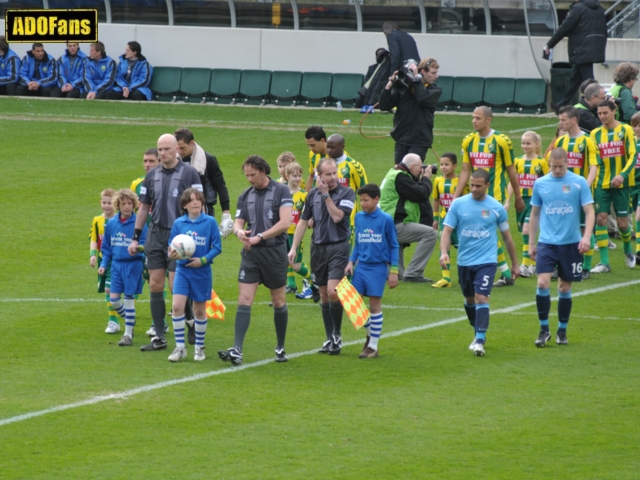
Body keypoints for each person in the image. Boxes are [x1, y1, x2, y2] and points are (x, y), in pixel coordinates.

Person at [127, 134, 203, 352]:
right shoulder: (151, 176)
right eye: (160, 150)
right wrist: (135, 236)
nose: (163, 153)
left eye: (167, 149)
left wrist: (196, 233)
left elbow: (199, 205)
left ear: (176, 150)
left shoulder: (190, 173)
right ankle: (159, 338)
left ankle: (190, 322)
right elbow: (143, 207)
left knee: (174, 286)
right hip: (156, 234)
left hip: (180, 234)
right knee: (155, 285)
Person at [219, 155, 293, 366]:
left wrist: (260, 236)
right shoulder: (245, 195)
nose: (249, 179)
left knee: (278, 300)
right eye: (246, 175)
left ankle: (280, 346)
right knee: (244, 299)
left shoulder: (281, 190)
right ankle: (237, 350)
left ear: (263, 171)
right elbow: (239, 220)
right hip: (251, 254)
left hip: (274, 252)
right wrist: (239, 231)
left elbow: (285, 222)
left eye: (252, 175)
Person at [440, 169, 519, 357]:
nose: (474, 189)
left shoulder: (496, 208)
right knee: (469, 299)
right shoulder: (458, 205)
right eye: (472, 185)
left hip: (487, 261)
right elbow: (447, 231)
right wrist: (444, 252)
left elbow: (507, 238)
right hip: (464, 261)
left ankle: (480, 340)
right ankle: (477, 331)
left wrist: (515, 264)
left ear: (487, 186)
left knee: (481, 298)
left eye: (478, 186)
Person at [529, 148, 595, 347]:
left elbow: (589, 212)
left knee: (564, 287)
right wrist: (531, 243)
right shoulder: (541, 184)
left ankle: (562, 331)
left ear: (567, 163)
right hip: (547, 243)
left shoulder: (579, 182)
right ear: (549, 164)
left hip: (571, 244)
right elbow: (535, 214)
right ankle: (544, 330)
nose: (557, 171)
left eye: (560, 167)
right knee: (542, 284)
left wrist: (586, 237)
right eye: (553, 167)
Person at [289, 158, 355, 355]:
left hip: (338, 247)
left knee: (334, 292)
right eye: (328, 174)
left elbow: (337, 217)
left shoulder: (346, 192)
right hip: (318, 248)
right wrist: (293, 248)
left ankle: (337, 334)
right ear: (320, 176)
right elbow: (302, 222)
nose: (333, 177)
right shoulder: (312, 195)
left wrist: (326, 196)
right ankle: (329, 338)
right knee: (325, 295)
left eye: (335, 172)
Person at [455, 106, 523, 287]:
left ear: (488, 120)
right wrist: (456, 197)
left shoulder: (502, 141)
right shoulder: (468, 140)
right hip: (473, 197)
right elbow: (465, 170)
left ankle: (506, 272)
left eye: (478, 118)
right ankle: (506, 273)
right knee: (484, 234)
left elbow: (511, 169)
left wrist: (518, 196)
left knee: (488, 233)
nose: (474, 121)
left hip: (495, 197)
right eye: (472, 117)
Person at [167, 188, 222, 362]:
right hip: (182, 271)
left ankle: (199, 348)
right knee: (177, 307)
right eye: (192, 200)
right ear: (185, 205)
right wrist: (171, 254)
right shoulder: (179, 223)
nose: (196, 203)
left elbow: (217, 247)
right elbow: (171, 246)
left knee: (199, 310)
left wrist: (203, 260)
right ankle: (180, 348)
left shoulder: (210, 222)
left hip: (202, 272)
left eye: (199, 199)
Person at [345, 183, 399, 358]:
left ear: (376, 199)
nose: (362, 203)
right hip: (361, 267)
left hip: (378, 268)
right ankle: (373, 332)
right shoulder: (359, 218)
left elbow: (394, 245)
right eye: (360, 200)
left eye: (366, 200)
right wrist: (351, 261)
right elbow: (358, 243)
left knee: (374, 305)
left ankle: (373, 346)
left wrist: (394, 271)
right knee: (351, 304)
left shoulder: (385, 219)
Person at [552, 106, 599, 277]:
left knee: (582, 228)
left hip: (581, 193)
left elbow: (593, 166)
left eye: (563, 119)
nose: (560, 123)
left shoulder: (588, 141)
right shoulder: (560, 142)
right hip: (562, 193)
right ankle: (560, 265)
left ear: (573, 120)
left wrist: (584, 187)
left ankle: (585, 267)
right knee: (561, 228)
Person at [590, 100, 637, 272]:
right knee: (600, 218)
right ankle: (604, 263)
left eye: (605, 113)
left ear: (614, 112)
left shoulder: (625, 130)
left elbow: (633, 155)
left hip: (622, 184)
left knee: (623, 224)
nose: (602, 116)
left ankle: (627, 250)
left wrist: (622, 175)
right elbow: (593, 160)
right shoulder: (595, 134)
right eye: (599, 113)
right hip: (601, 183)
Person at [99, 189, 147, 347]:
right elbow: (106, 247)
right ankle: (130, 322)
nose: (127, 206)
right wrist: (103, 264)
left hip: (133, 265)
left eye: (129, 203)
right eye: (123, 203)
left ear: (134, 204)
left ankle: (127, 335)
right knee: (113, 300)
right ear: (117, 205)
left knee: (128, 299)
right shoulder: (112, 223)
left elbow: (147, 244)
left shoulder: (139, 223)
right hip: (116, 266)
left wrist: (138, 249)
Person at [379, 154, 437, 283]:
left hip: (386, 223)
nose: (421, 169)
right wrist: (426, 178)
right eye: (420, 166)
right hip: (392, 225)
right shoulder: (401, 177)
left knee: (397, 248)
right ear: (412, 166)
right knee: (431, 233)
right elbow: (422, 194)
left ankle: (393, 272)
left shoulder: (395, 173)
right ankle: (413, 273)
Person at [378, 57, 442, 165]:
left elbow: (422, 97)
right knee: (399, 173)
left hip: (420, 140)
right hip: (401, 138)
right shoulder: (405, 88)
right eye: (433, 73)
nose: (437, 76)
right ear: (423, 72)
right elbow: (384, 106)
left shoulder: (435, 90)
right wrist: (390, 84)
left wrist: (415, 79)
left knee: (412, 173)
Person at [545, 0, 607, 109]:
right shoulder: (599, 8)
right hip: (594, 47)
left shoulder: (578, 8)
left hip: (581, 48)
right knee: (575, 79)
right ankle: (561, 104)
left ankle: (599, 106)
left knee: (590, 82)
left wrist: (550, 44)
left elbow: (564, 28)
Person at [505, 131, 549, 278]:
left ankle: (525, 264)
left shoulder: (542, 162)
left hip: (535, 201)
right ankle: (533, 264)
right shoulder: (517, 161)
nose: (525, 146)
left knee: (526, 230)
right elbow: (513, 182)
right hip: (521, 200)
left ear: (536, 145)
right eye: (523, 143)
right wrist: (508, 200)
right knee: (525, 231)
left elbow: (548, 182)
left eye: (528, 143)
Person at [174, 128, 231, 223]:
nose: (179, 151)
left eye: (182, 148)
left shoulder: (208, 160)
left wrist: (226, 214)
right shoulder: (173, 161)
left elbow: (220, 186)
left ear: (191, 143)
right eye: (177, 148)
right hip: (178, 207)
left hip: (204, 208)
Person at [283, 161, 319, 301]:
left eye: (299, 176)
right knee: (283, 262)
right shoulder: (281, 192)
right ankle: (289, 286)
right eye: (294, 176)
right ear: (287, 176)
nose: (298, 179)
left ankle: (313, 281)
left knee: (296, 266)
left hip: (295, 235)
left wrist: (311, 219)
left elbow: (309, 213)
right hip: (281, 234)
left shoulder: (304, 195)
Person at [432, 152, 468, 288]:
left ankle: (464, 276)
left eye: (446, 164)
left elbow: (467, 201)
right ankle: (446, 278)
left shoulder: (461, 182)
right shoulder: (437, 181)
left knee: (463, 248)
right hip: (444, 219)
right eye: (441, 164)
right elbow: (436, 199)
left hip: (459, 221)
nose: (443, 167)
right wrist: (435, 218)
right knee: (444, 247)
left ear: (455, 166)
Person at [326, 134, 368, 232]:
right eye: (327, 147)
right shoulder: (324, 165)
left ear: (342, 147)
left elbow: (365, 192)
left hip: (348, 220)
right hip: (326, 217)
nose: (329, 150)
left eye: (332, 147)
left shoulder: (354, 166)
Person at [89, 188, 117, 333]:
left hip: (117, 261)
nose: (106, 206)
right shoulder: (97, 220)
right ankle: (113, 320)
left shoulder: (119, 220)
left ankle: (121, 315)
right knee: (108, 290)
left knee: (112, 289)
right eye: (104, 203)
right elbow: (94, 239)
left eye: (110, 203)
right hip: (103, 261)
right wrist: (93, 254)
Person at [355, 47, 389, 112]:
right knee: (359, 99)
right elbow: (366, 82)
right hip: (370, 90)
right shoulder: (371, 68)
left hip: (380, 91)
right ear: (376, 57)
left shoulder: (387, 69)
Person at [304, 126, 328, 191]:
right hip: (317, 196)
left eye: (313, 145)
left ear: (322, 141)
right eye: (309, 145)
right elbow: (312, 175)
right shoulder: (312, 154)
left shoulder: (336, 156)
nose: (310, 148)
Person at [630, 112, 640, 265]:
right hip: (633, 185)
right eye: (635, 125)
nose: (637, 128)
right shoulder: (630, 142)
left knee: (638, 217)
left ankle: (638, 251)